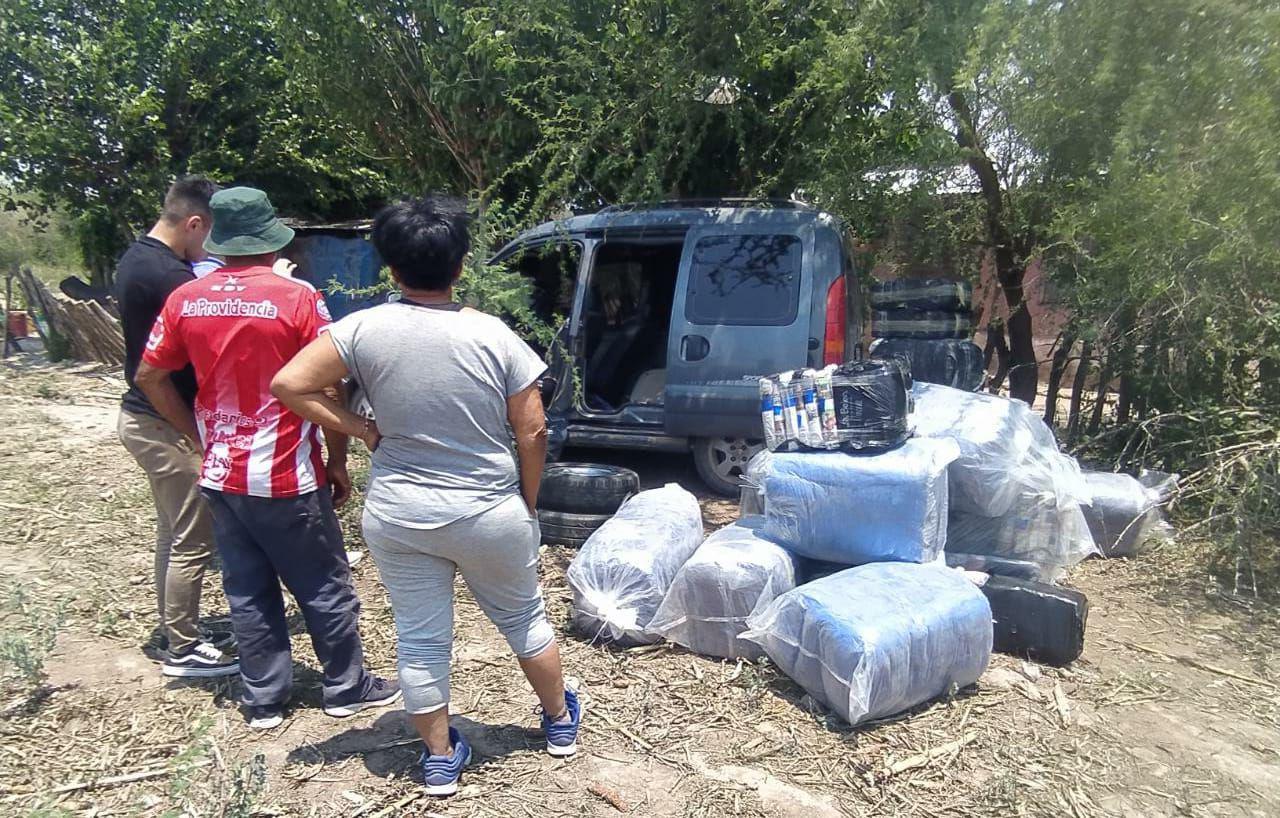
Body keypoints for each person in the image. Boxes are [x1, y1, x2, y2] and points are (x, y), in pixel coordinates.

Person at [272, 193, 582, 796]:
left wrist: (362, 429)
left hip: (400, 514)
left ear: (390, 269)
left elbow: (290, 384)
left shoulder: (359, 329)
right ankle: (560, 723)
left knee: (418, 637)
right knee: (523, 618)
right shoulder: (492, 335)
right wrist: (528, 499)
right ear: (461, 265)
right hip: (488, 509)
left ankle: (440, 759)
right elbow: (534, 428)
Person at [135, 186, 399, 729]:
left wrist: (198, 436)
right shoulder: (297, 297)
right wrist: (338, 459)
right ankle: (346, 687)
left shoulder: (187, 298)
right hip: (285, 474)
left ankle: (264, 699)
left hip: (222, 474)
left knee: (247, 588)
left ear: (218, 237)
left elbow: (149, 376)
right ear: (270, 238)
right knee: (323, 584)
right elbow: (327, 387)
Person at [114, 175, 238, 678]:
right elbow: (217, 314)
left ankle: (176, 626)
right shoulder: (166, 276)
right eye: (213, 236)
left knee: (173, 530)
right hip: (163, 421)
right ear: (194, 223)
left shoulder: (141, 260)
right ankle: (183, 649)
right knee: (193, 539)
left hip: (148, 417)